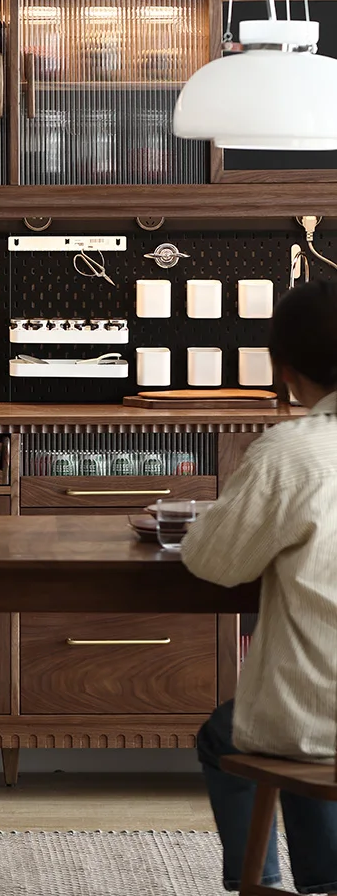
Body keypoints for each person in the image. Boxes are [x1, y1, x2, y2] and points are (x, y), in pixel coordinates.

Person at [181, 280, 337, 893]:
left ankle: (272, 882)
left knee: (237, 729)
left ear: (288, 372)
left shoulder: (292, 453)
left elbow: (213, 562)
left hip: (319, 721)